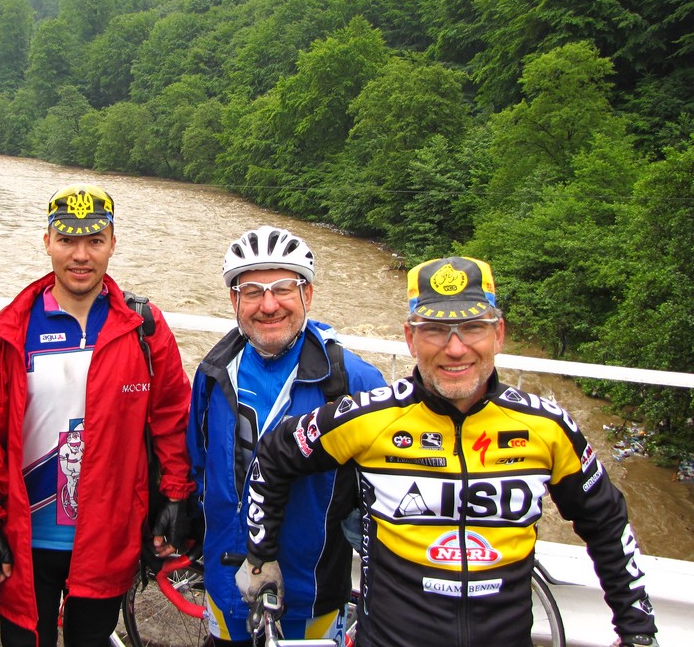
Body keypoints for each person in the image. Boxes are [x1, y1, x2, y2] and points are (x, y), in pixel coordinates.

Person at [237, 256, 659, 647]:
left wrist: (637, 630)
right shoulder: (368, 417)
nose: (455, 348)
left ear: (498, 334)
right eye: (435, 330)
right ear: (410, 338)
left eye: (473, 327)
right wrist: (261, 557)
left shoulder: (547, 427)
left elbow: (606, 521)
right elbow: (273, 456)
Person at [0, 183, 195, 647]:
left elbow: (171, 417)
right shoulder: (11, 329)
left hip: (108, 536)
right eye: (67, 240)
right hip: (26, 541)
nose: (81, 255)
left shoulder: (143, 328)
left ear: (112, 243)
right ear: (47, 242)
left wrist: (176, 496)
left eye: (94, 240)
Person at [189, 225, 386, 645]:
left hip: (309, 594)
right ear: (234, 301)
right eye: (252, 292)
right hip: (226, 585)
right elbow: (200, 468)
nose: (269, 305)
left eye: (282, 288)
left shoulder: (353, 381)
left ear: (307, 295)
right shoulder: (213, 373)